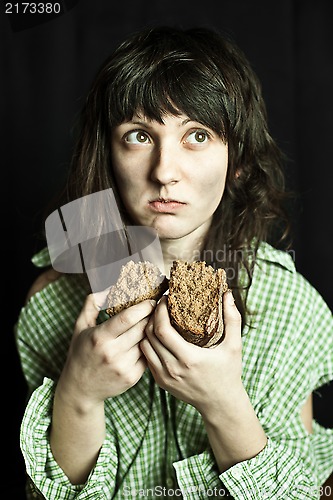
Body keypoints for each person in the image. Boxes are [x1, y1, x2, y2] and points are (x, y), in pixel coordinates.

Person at [15, 25, 333, 499]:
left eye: (198, 135)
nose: (164, 171)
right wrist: (77, 395)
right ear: (108, 152)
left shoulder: (291, 307)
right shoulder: (51, 302)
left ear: (238, 161)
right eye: (139, 135)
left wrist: (223, 403)